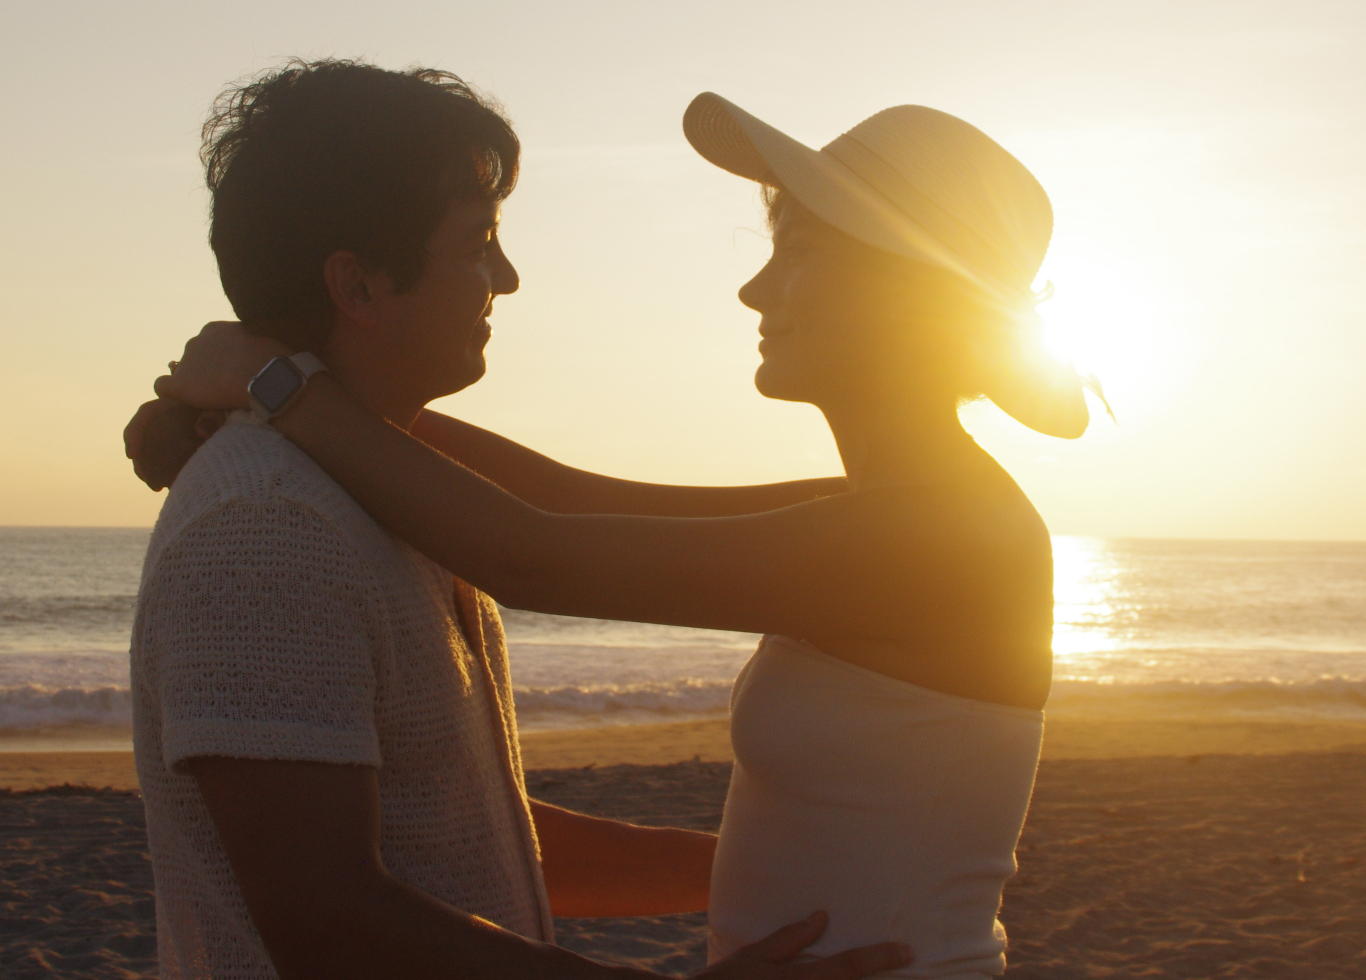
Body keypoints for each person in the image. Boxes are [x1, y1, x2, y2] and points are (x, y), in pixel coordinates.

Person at [150, 91, 1097, 978]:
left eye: (798, 249)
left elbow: (535, 551)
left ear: (908, 292)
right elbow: (566, 499)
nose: (756, 290)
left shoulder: (942, 532)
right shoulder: (902, 513)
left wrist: (282, 388)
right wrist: (286, 392)